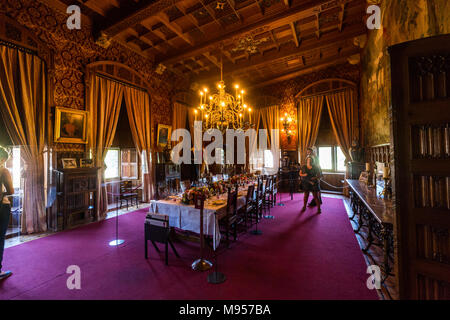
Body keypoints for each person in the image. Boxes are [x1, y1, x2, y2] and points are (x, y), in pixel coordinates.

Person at [0, 147, 13, 280]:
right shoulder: (3, 170)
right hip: (1, 206)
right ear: (2, 158)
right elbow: (11, 190)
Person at [299, 149, 321, 214]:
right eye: (308, 160)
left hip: (314, 183)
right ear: (306, 160)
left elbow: (320, 175)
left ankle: (319, 208)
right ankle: (304, 206)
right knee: (306, 195)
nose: (309, 161)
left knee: (315, 196)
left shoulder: (315, 167)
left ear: (312, 160)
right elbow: (300, 174)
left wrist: (315, 177)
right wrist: (304, 174)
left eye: (310, 160)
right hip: (306, 182)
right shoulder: (303, 166)